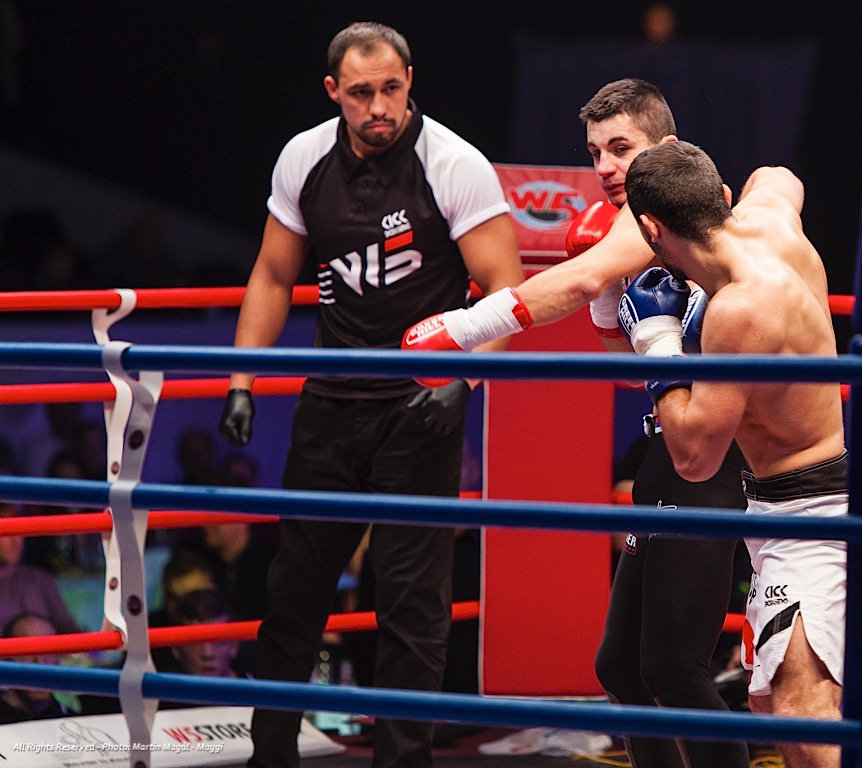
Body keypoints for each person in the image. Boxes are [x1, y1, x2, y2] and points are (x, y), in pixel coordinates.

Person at [408, 78, 748, 768]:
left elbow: (578, 280)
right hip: (668, 454)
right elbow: (628, 370)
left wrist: (464, 328)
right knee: (622, 666)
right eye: (595, 152)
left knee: (675, 668)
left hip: (711, 458)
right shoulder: (643, 229)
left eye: (621, 147)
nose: (605, 167)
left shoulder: (660, 215)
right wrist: (608, 310)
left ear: (667, 147)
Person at [216, 21, 523, 768]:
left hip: (419, 410)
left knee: (412, 606)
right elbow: (272, 275)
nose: (378, 106)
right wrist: (241, 380)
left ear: (410, 80)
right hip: (330, 404)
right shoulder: (304, 158)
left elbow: (506, 288)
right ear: (334, 92)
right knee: (293, 591)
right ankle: (269, 757)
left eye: (390, 88)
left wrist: (463, 380)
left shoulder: (454, 164)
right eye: (361, 92)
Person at [621, 140, 848, 768]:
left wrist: (658, 342)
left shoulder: (738, 311)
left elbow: (694, 458)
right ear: (722, 196)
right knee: (773, 703)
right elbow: (779, 174)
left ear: (650, 230)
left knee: (801, 707)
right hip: (794, 503)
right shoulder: (769, 219)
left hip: (807, 513)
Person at [0, 502, 79, 634]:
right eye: (7, 532)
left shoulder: (41, 580)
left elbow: (72, 634)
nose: (15, 540)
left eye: (18, 530)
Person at [0, 613, 70, 724]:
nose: (40, 662)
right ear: (7, 658)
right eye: (28, 651)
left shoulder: (70, 720)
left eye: (49, 650)